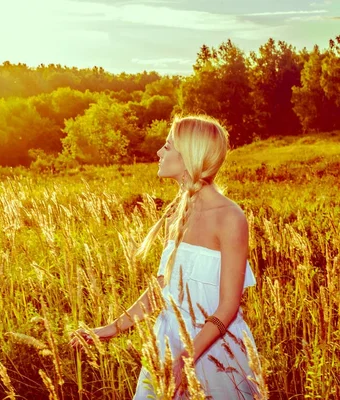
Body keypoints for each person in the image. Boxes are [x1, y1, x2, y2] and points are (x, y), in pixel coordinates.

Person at [70, 115, 263, 399]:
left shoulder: (230, 217)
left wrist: (189, 356)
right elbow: (162, 288)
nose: (159, 152)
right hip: (170, 343)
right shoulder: (178, 212)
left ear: (189, 156)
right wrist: (111, 328)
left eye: (167, 146)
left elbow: (228, 306)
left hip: (213, 353)